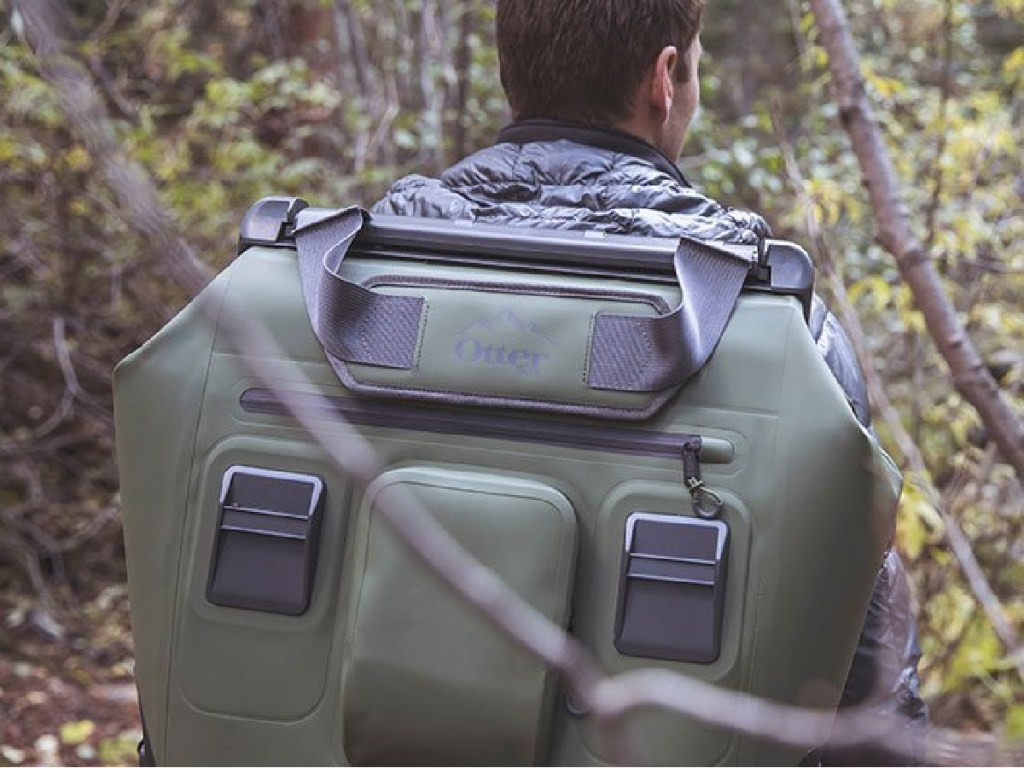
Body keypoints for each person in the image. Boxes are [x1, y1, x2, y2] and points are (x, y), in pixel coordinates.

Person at [372, 0, 927, 761]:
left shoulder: (353, 280)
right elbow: (868, 673)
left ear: (512, 71)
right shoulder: (766, 321)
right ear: (665, 80)